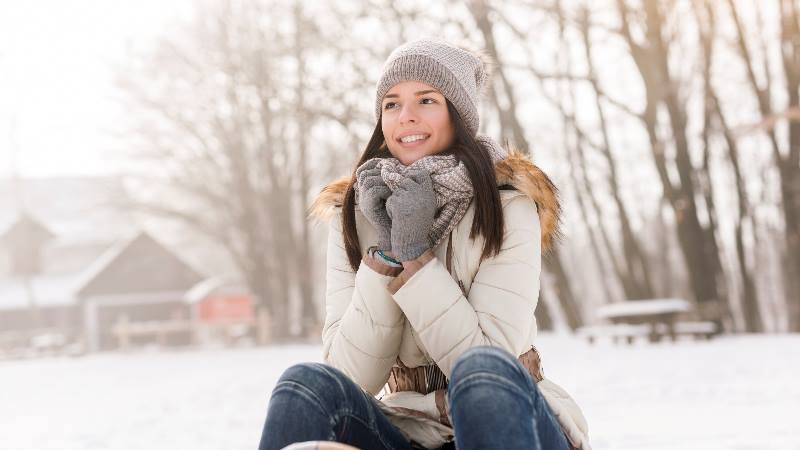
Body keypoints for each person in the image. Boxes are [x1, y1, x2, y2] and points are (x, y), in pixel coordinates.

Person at [259, 38, 590, 450]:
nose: (406, 117)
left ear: (459, 114)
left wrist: (417, 255)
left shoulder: (508, 206)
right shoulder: (357, 214)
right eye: (392, 104)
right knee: (305, 384)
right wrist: (388, 253)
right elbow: (350, 376)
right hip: (405, 428)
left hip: (510, 419)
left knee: (484, 373)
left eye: (427, 100)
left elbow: (488, 364)